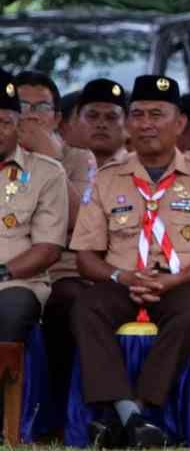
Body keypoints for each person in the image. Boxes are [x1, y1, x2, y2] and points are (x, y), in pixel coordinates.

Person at [69, 74, 190, 449]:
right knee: (86, 307)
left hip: (184, 283)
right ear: (128, 124)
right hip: (124, 281)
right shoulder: (106, 179)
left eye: (157, 115)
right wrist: (121, 275)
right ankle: (130, 413)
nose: (146, 124)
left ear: (180, 123)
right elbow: (85, 257)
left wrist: (174, 282)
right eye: (139, 114)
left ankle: (139, 408)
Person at [43, 78, 129, 417]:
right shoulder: (53, 163)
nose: (102, 124)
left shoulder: (141, 169)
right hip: (64, 273)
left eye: (112, 117)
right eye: (92, 116)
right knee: (68, 298)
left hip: (122, 276)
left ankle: (112, 411)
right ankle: (62, 409)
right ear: (72, 123)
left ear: (128, 126)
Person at [0, 70, 69, 342]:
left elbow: (48, 249)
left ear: (19, 126)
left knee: (11, 309)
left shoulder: (47, 173)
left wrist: (2, 272)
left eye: (5, 122)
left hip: (16, 283)